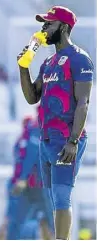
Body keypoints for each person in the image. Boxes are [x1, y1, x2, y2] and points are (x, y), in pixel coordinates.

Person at [17, 6, 94, 240]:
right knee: (53, 198)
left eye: (48, 24)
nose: (43, 28)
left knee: (62, 196)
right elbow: (32, 97)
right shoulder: (48, 62)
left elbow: (83, 102)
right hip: (47, 140)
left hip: (66, 140)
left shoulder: (79, 58)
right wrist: (23, 68)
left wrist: (73, 141)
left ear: (63, 27)